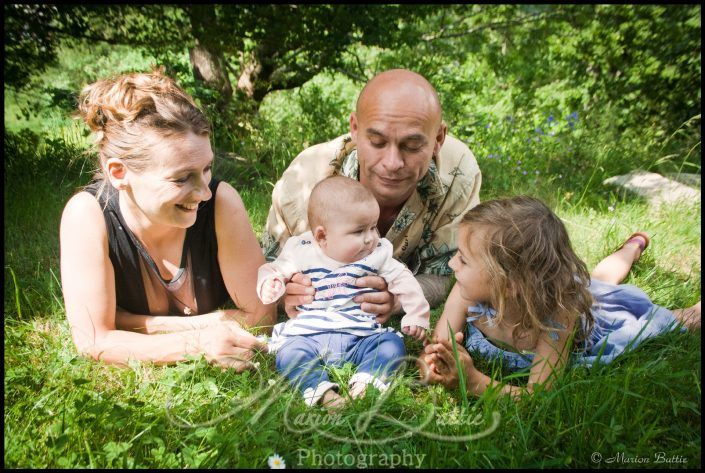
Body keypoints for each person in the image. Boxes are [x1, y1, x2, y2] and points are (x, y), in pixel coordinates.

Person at [59, 69, 275, 370]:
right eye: (182, 178)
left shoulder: (222, 201)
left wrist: (128, 323)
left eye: (207, 169)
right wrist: (199, 342)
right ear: (118, 173)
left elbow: (262, 318)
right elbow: (92, 340)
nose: (204, 193)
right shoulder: (87, 215)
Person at [420, 196, 701, 398]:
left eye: (464, 260)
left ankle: (691, 311)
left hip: (593, 325)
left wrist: (473, 382)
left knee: (650, 320)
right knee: (599, 280)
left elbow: (538, 395)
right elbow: (436, 347)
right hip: (555, 287)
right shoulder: (465, 290)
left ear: (511, 284)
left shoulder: (557, 317)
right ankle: (632, 246)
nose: (452, 264)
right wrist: (432, 365)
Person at [262, 69, 481, 322]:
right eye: (377, 141)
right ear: (355, 129)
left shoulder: (457, 175)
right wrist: (284, 294)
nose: (392, 163)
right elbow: (264, 271)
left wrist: (399, 299)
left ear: (438, 139)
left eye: (412, 146)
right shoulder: (302, 184)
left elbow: (445, 274)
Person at [257, 176, 430, 407]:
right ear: (322, 236)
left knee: (390, 344)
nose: (370, 238)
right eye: (359, 231)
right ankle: (322, 393)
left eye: (373, 227)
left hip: (361, 336)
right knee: (290, 354)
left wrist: (416, 314)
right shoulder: (302, 251)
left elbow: (404, 279)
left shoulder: (376, 253)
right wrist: (271, 281)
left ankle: (365, 384)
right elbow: (272, 269)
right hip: (309, 337)